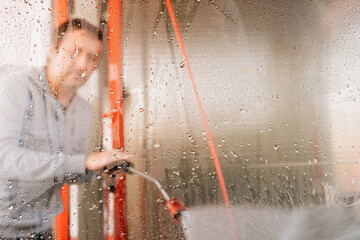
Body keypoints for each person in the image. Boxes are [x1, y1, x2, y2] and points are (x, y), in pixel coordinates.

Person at [0, 19, 130, 239]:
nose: (83, 65)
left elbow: (65, 172)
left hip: (40, 229)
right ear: (53, 52)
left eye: (92, 57)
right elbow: (5, 159)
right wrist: (84, 163)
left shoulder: (84, 112)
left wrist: (96, 169)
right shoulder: (18, 86)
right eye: (74, 52)